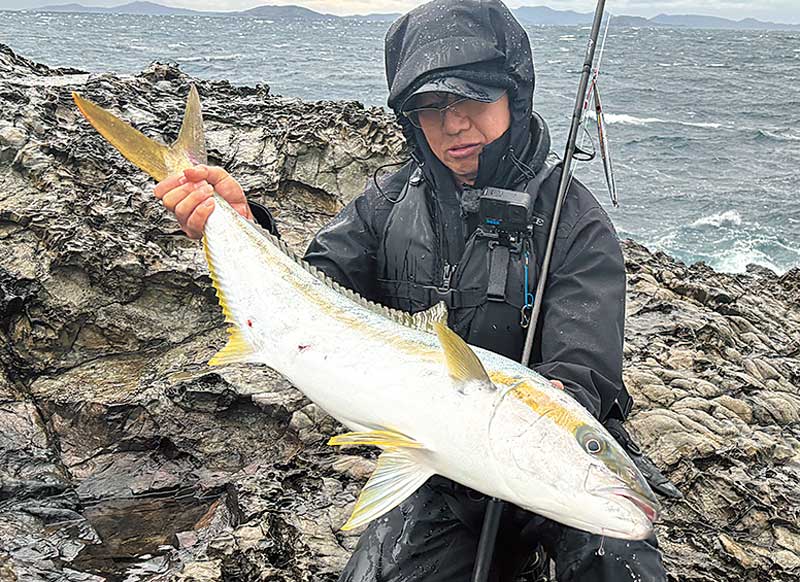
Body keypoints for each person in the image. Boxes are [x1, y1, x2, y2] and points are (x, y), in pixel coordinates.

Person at [153, 1, 679, 579]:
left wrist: (542, 426)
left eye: (473, 99)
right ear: (410, 119)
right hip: (438, 463)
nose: (454, 125)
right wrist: (243, 225)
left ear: (514, 96)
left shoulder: (571, 221)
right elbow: (316, 292)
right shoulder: (385, 204)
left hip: (543, 457)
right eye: (431, 107)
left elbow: (582, 372)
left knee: (618, 552)